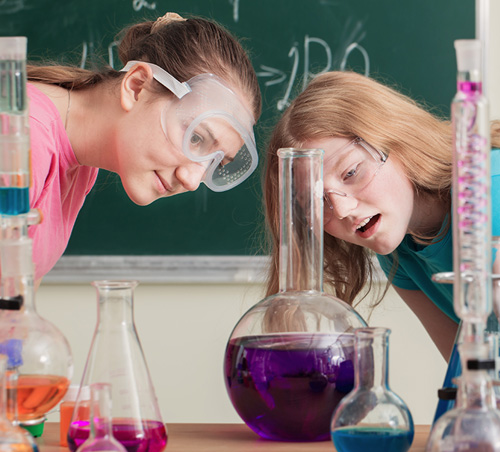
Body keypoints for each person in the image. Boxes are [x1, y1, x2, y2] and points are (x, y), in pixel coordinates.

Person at [263, 70, 500, 361]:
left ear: (397, 138)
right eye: (316, 201)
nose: (342, 210)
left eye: (351, 173)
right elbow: (464, 372)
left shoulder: (490, 190)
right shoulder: (399, 252)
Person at [23, 12, 261, 283]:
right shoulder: (26, 138)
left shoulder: (80, 161)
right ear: (136, 86)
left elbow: (17, 299)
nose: (193, 180)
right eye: (196, 138)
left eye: (215, 162)